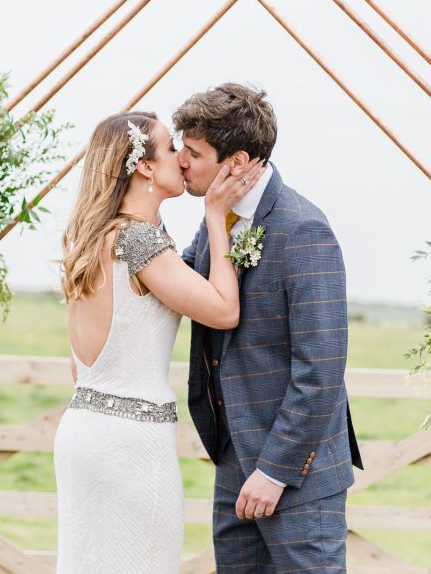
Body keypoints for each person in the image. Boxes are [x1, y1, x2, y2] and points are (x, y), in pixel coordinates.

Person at [53, 110, 263, 573]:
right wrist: (216, 214)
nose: (182, 159)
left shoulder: (96, 238)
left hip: (81, 432)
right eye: (171, 148)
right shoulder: (139, 241)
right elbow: (225, 310)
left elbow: (80, 364)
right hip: (133, 443)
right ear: (144, 166)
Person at [175, 83, 363, 572]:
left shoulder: (303, 229)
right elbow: (187, 288)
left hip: (296, 477)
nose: (180, 161)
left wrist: (275, 472)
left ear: (236, 162)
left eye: (193, 152)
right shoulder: (219, 217)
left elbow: (320, 369)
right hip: (233, 462)